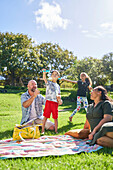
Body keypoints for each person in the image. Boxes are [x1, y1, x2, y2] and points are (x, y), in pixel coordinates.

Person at [41, 69, 63, 134]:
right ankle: (42, 130)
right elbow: (44, 78)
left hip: (55, 103)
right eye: (53, 74)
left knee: (55, 118)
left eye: (56, 74)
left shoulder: (58, 86)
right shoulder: (49, 83)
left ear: (58, 77)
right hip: (48, 102)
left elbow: (59, 95)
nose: (54, 75)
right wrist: (44, 73)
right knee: (45, 117)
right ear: (51, 76)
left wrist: (59, 100)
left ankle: (56, 131)